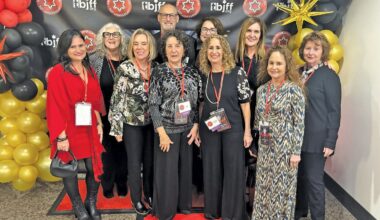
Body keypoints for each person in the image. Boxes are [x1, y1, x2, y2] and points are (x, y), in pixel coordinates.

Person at [46, 29, 105, 220]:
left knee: (93, 165)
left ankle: (91, 202)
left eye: (81, 45)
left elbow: (95, 100)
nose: (79, 50)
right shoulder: (57, 72)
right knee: (69, 169)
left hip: (88, 126)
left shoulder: (89, 69)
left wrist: (99, 123)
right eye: (73, 47)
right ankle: (78, 207)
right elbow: (54, 106)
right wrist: (61, 137)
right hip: (67, 128)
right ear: (65, 49)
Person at [148, 30, 202, 220]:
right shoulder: (159, 71)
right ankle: (166, 211)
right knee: (167, 173)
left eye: (177, 45)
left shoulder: (192, 72)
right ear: (164, 49)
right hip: (167, 130)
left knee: (185, 171)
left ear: (184, 49)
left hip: (188, 129)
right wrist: (161, 132)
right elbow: (153, 105)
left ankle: (183, 206)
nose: (173, 50)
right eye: (169, 46)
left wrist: (196, 125)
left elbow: (198, 103)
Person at [198, 34, 252, 220]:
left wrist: (247, 132)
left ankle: (232, 214)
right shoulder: (203, 74)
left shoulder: (237, 73)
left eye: (218, 48)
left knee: (233, 170)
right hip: (209, 128)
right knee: (211, 168)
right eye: (210, 48)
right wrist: (197, 128)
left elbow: (245, 104)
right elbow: (200, 103)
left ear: (225, 51)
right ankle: (213, 211)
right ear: (206, 51)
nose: (214, 52)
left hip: (234, 130)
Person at [251, 45, 305, 219]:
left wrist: (296, 152)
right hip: (266, 149)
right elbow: (258, 121)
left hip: (285, 150)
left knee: (281, 190)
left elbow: (299, 124)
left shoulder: (294, 90)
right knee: (264, 187)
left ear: (287, 66)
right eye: (271, 63)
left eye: (279, 64)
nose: (274, 67)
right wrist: (255, 142)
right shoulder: (261, 90)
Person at [108, 28, 157, 215]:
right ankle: (136, 199)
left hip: (152, 123)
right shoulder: (125, 68)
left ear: (150, 46)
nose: (139, 47)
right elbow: (117, 98)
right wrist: (117, 128)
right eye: (136, 44)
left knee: (150, 161)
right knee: (135, 164)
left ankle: (150, 194)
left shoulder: (156, 66)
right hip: (131, 124)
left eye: (143, 43)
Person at [295, 31, 341, 220]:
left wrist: (330, 141)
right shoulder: (297, 73)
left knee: (314, 182)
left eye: (316, 48)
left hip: (317, 139)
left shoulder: (329, 75)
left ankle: (318, 217)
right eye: (308, 48)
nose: (311, 52)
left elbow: (334, 111)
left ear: (323, 52)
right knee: (299, 180)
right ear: (302, 50)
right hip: (297, 137)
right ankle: (299, 212)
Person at [89, 23, 129, 199]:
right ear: (102, 38)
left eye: (116, 34)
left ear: (121, 38)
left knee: (124, 150)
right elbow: (88, 89)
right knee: (106, 152)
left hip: (125, 115)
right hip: (102, 115)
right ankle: (107, 183)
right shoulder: (94, 60)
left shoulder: (128, 58)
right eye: (107, 34)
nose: (111, 38)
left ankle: (122, 181)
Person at [235, 16, 267, 214]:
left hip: (258, 117)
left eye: (256, 31)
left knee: (254, 159)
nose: (252, 35)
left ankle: (252, 202)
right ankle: (237, 200)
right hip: (234, 116)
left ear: (261, 35)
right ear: (243, 33)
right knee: (236, 161)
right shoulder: (233, 57)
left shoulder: (265, 61)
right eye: (249, 30)